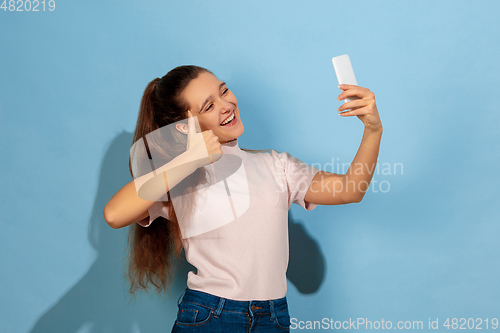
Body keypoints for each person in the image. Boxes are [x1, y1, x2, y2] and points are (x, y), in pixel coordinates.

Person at [103, 65, 383, 332]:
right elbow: (115, 214)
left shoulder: (276, 165)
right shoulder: (179, 177)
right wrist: (189, 159)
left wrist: (373, 130)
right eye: (208, 106)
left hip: (274, 317)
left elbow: (351, 189)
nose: (226, 105)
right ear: (184, 127)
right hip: (210, 315)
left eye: (224, 91)